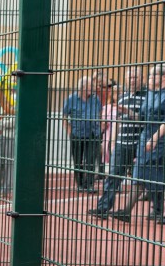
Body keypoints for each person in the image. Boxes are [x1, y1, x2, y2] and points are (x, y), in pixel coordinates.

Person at [108, 67, 165, 224]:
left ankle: (158, 211)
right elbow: (141, 118)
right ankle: (127, 211)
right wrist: (126, 110)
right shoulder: (150, 94)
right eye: (151, 75)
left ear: (164, 78)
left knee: (156, 174)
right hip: (144, 138)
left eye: (154, 75)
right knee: (139, 172)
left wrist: (154, 138)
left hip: (159, 139)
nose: (151, 78)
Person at [89, 70, 145, 219]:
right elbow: (118, 122)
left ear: (141, 79)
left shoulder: (147, 97)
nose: (132, 80)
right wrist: (113, 141)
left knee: (145, 177)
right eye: (130, 77)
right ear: (126, 79)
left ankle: (158, 210)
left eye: (135, 77)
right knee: (113, 176)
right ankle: (103, 208)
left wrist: (128, 111)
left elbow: (144, 120)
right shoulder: (122, 98)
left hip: (140, 143)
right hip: (122, 142)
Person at [62, 76, 102, 193]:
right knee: (78, 160)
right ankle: (80, 184)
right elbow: (64, 116)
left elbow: (100, 113)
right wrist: (69, 130)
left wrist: (100, 126)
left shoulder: (96, 99)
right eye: (91, 86)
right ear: (83, 87)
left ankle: (89, 185)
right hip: (77, 134)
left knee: (90, 160)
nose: (93, 88)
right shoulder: (71, 99)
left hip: (93, 134)